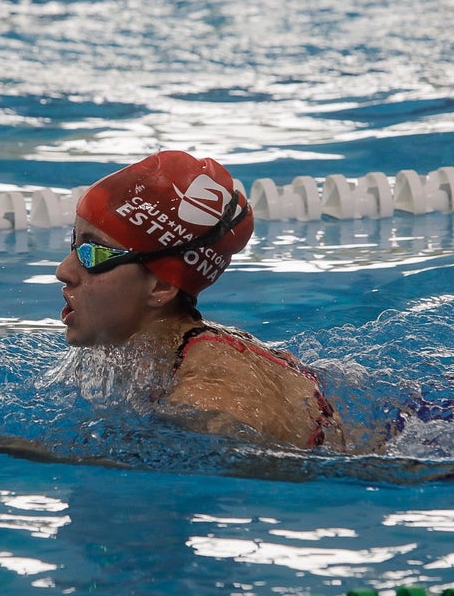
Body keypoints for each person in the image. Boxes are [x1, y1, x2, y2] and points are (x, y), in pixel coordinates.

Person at [55, 150, 347, 450]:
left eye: (93, 253)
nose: (63, 271)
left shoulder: (209, 404)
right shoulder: (157, 352)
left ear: (162, 286)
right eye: (74, 243)